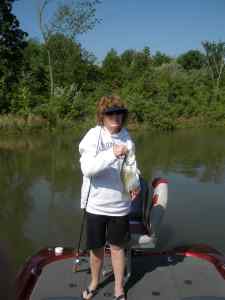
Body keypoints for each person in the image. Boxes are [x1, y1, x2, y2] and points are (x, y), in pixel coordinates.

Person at [79, 95, 140, 300]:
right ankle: (94, 283)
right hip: (95, 205)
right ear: (102, 116)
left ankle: (119, 288)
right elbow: (88, 169)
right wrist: (111, 154)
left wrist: (134, 184)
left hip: (120, 206)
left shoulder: (127, 137)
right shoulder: (92, 136)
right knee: (96, 249)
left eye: (119, 113)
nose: (116, 117)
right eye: (110, 113)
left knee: (117, 249)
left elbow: (132, 168)